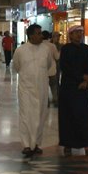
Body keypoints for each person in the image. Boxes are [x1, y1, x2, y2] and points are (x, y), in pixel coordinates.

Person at [12, 24, 56, 157]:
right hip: (26, 88)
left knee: (41, 115)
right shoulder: (20, 51)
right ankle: (26, 145)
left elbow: (48, 64)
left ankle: (36, 143)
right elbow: (17, 66)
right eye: (38, 33)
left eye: (40, 33)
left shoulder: (46, 50)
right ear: (31, 35)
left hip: (42, 86)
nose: (41, 35)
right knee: (26, 115)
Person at [58, 26, 88, 155]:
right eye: (76, 33)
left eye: (80, 33)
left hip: (83, 88)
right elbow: (65, 67)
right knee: (68, 116)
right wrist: (81, 77)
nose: (79, 35)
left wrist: (86, 80)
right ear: (70, 35)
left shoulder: (86, 49)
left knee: (85, 116)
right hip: (69, 88)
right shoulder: (65, 49)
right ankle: (68, 144)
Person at [42, 31, 60, 107]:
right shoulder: (52, 46)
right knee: (54, 87)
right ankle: (56, 101)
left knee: (44, 87)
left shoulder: (39, 45)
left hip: (42, 70)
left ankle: (47, 102)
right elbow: (57, 57)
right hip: (52, 70)